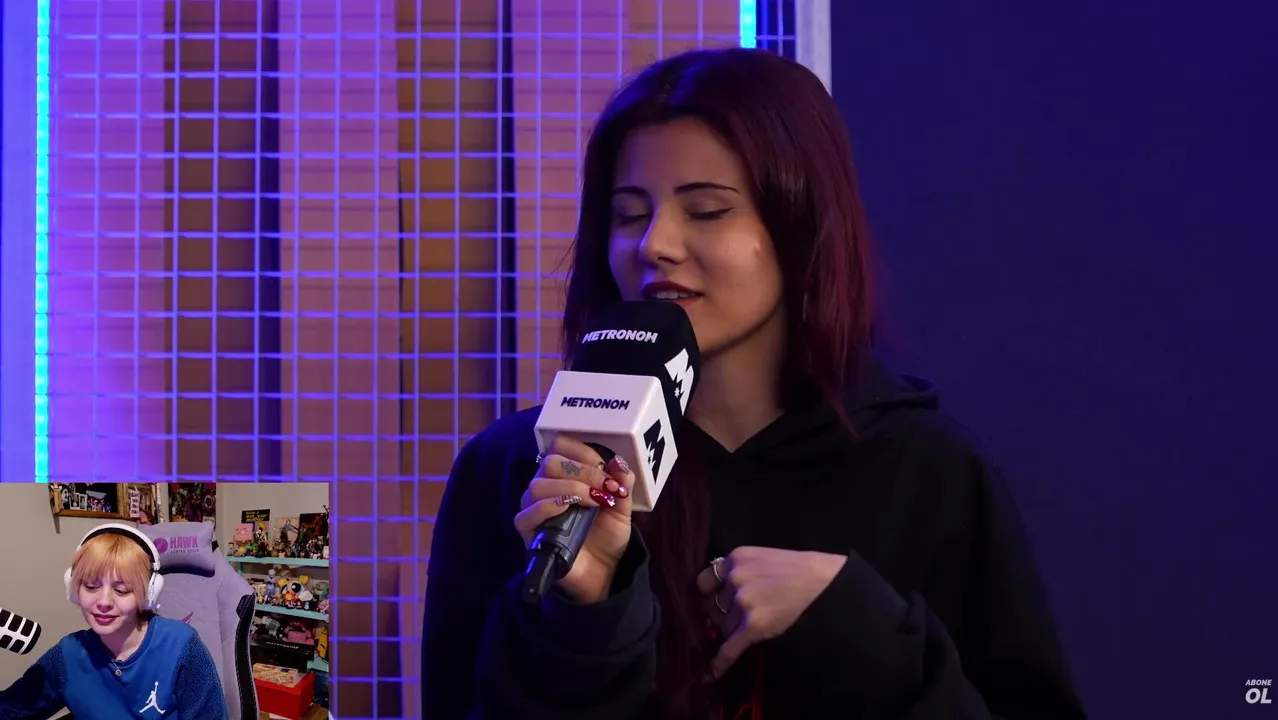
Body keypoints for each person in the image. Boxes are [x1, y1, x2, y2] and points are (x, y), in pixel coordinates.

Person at [421, 47, 1086, 719]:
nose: (655, 244)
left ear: (803, 223)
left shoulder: (931, 472)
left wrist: (859, 623)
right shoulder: (526, 473)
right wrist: (582, 619)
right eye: (629, 214)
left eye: (707, 210)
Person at [0, 523, 227, 719]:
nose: (104, 602)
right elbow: (10, 709)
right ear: (74, 589)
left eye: (122, 590)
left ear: (148, 594)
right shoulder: (67, 655)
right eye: (91, 586)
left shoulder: (182, 646)